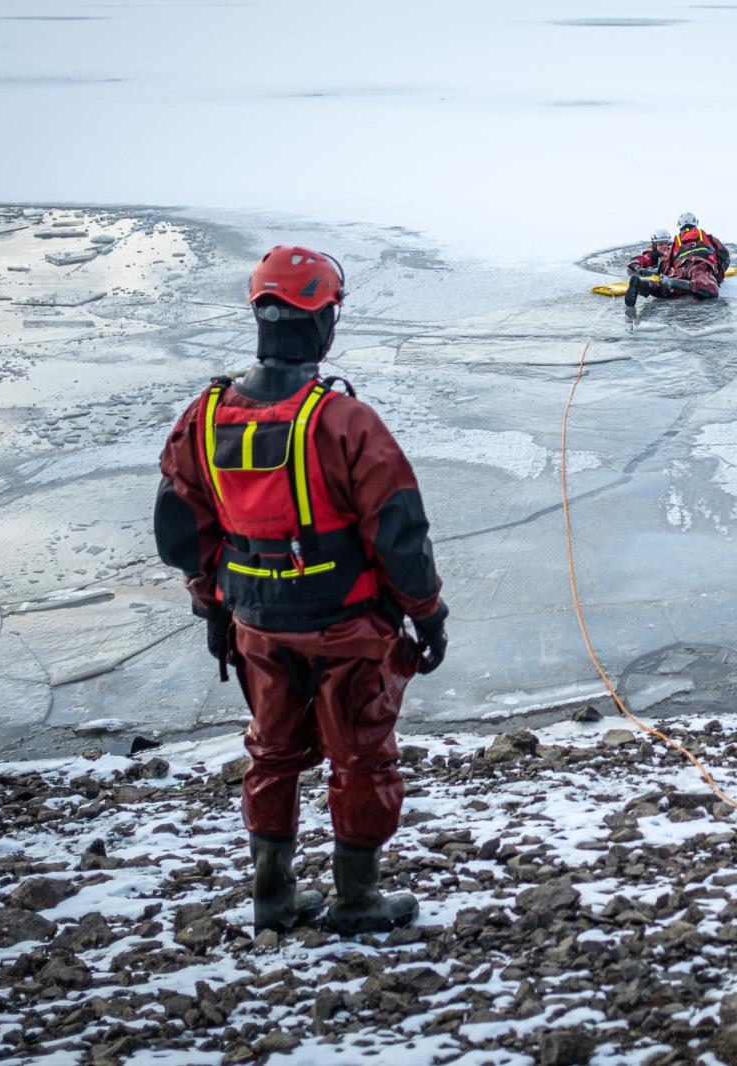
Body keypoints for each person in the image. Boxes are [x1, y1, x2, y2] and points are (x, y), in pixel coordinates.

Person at [153, 246, 449, 935]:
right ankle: (356, 900)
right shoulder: (346, 423)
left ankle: (274, 900)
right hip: (346, 628)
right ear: (325, 321)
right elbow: (399, 536)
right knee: (361, 755)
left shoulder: (204, 416)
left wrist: (211, 606)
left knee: (274, 752)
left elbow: (179, 526)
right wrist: (428, 616)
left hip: (254, 621)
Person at [624, 212, 732, 307]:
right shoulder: (708, 237)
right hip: (700, 265)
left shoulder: (676, 242)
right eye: (660, 244)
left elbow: (664, 266)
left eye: (665, 243)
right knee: (708, 289)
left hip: (680, 269)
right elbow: (724, 256)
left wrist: (660, 274)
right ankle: (675, 283)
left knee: (665, 290)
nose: (663, 246)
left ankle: (646, 285)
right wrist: (717, 273)